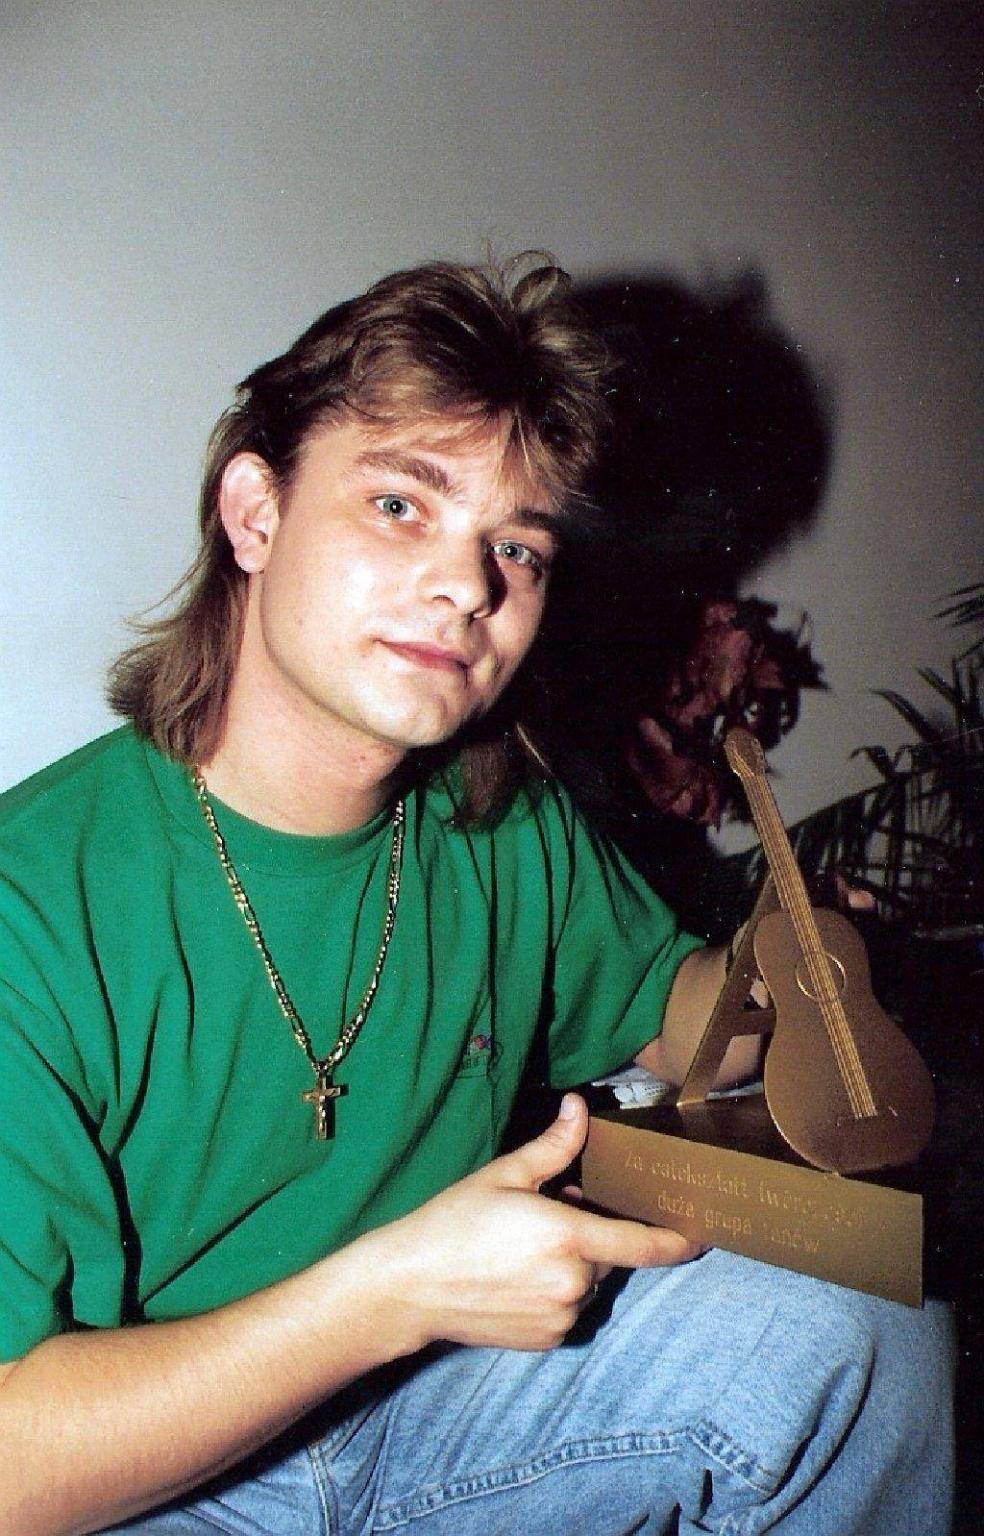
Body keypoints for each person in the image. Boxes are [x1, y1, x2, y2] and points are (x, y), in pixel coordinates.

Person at [0, 255, 953, 1535]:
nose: (470, 588)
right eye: (401, 505)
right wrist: (392, 1295)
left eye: (515, 546)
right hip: (147, 1466)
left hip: (429, 1401)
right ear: (254, 514)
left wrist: (793, 971)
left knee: (859, 1334)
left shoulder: (499, 819)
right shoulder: (31, 906)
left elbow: (674, 1019)